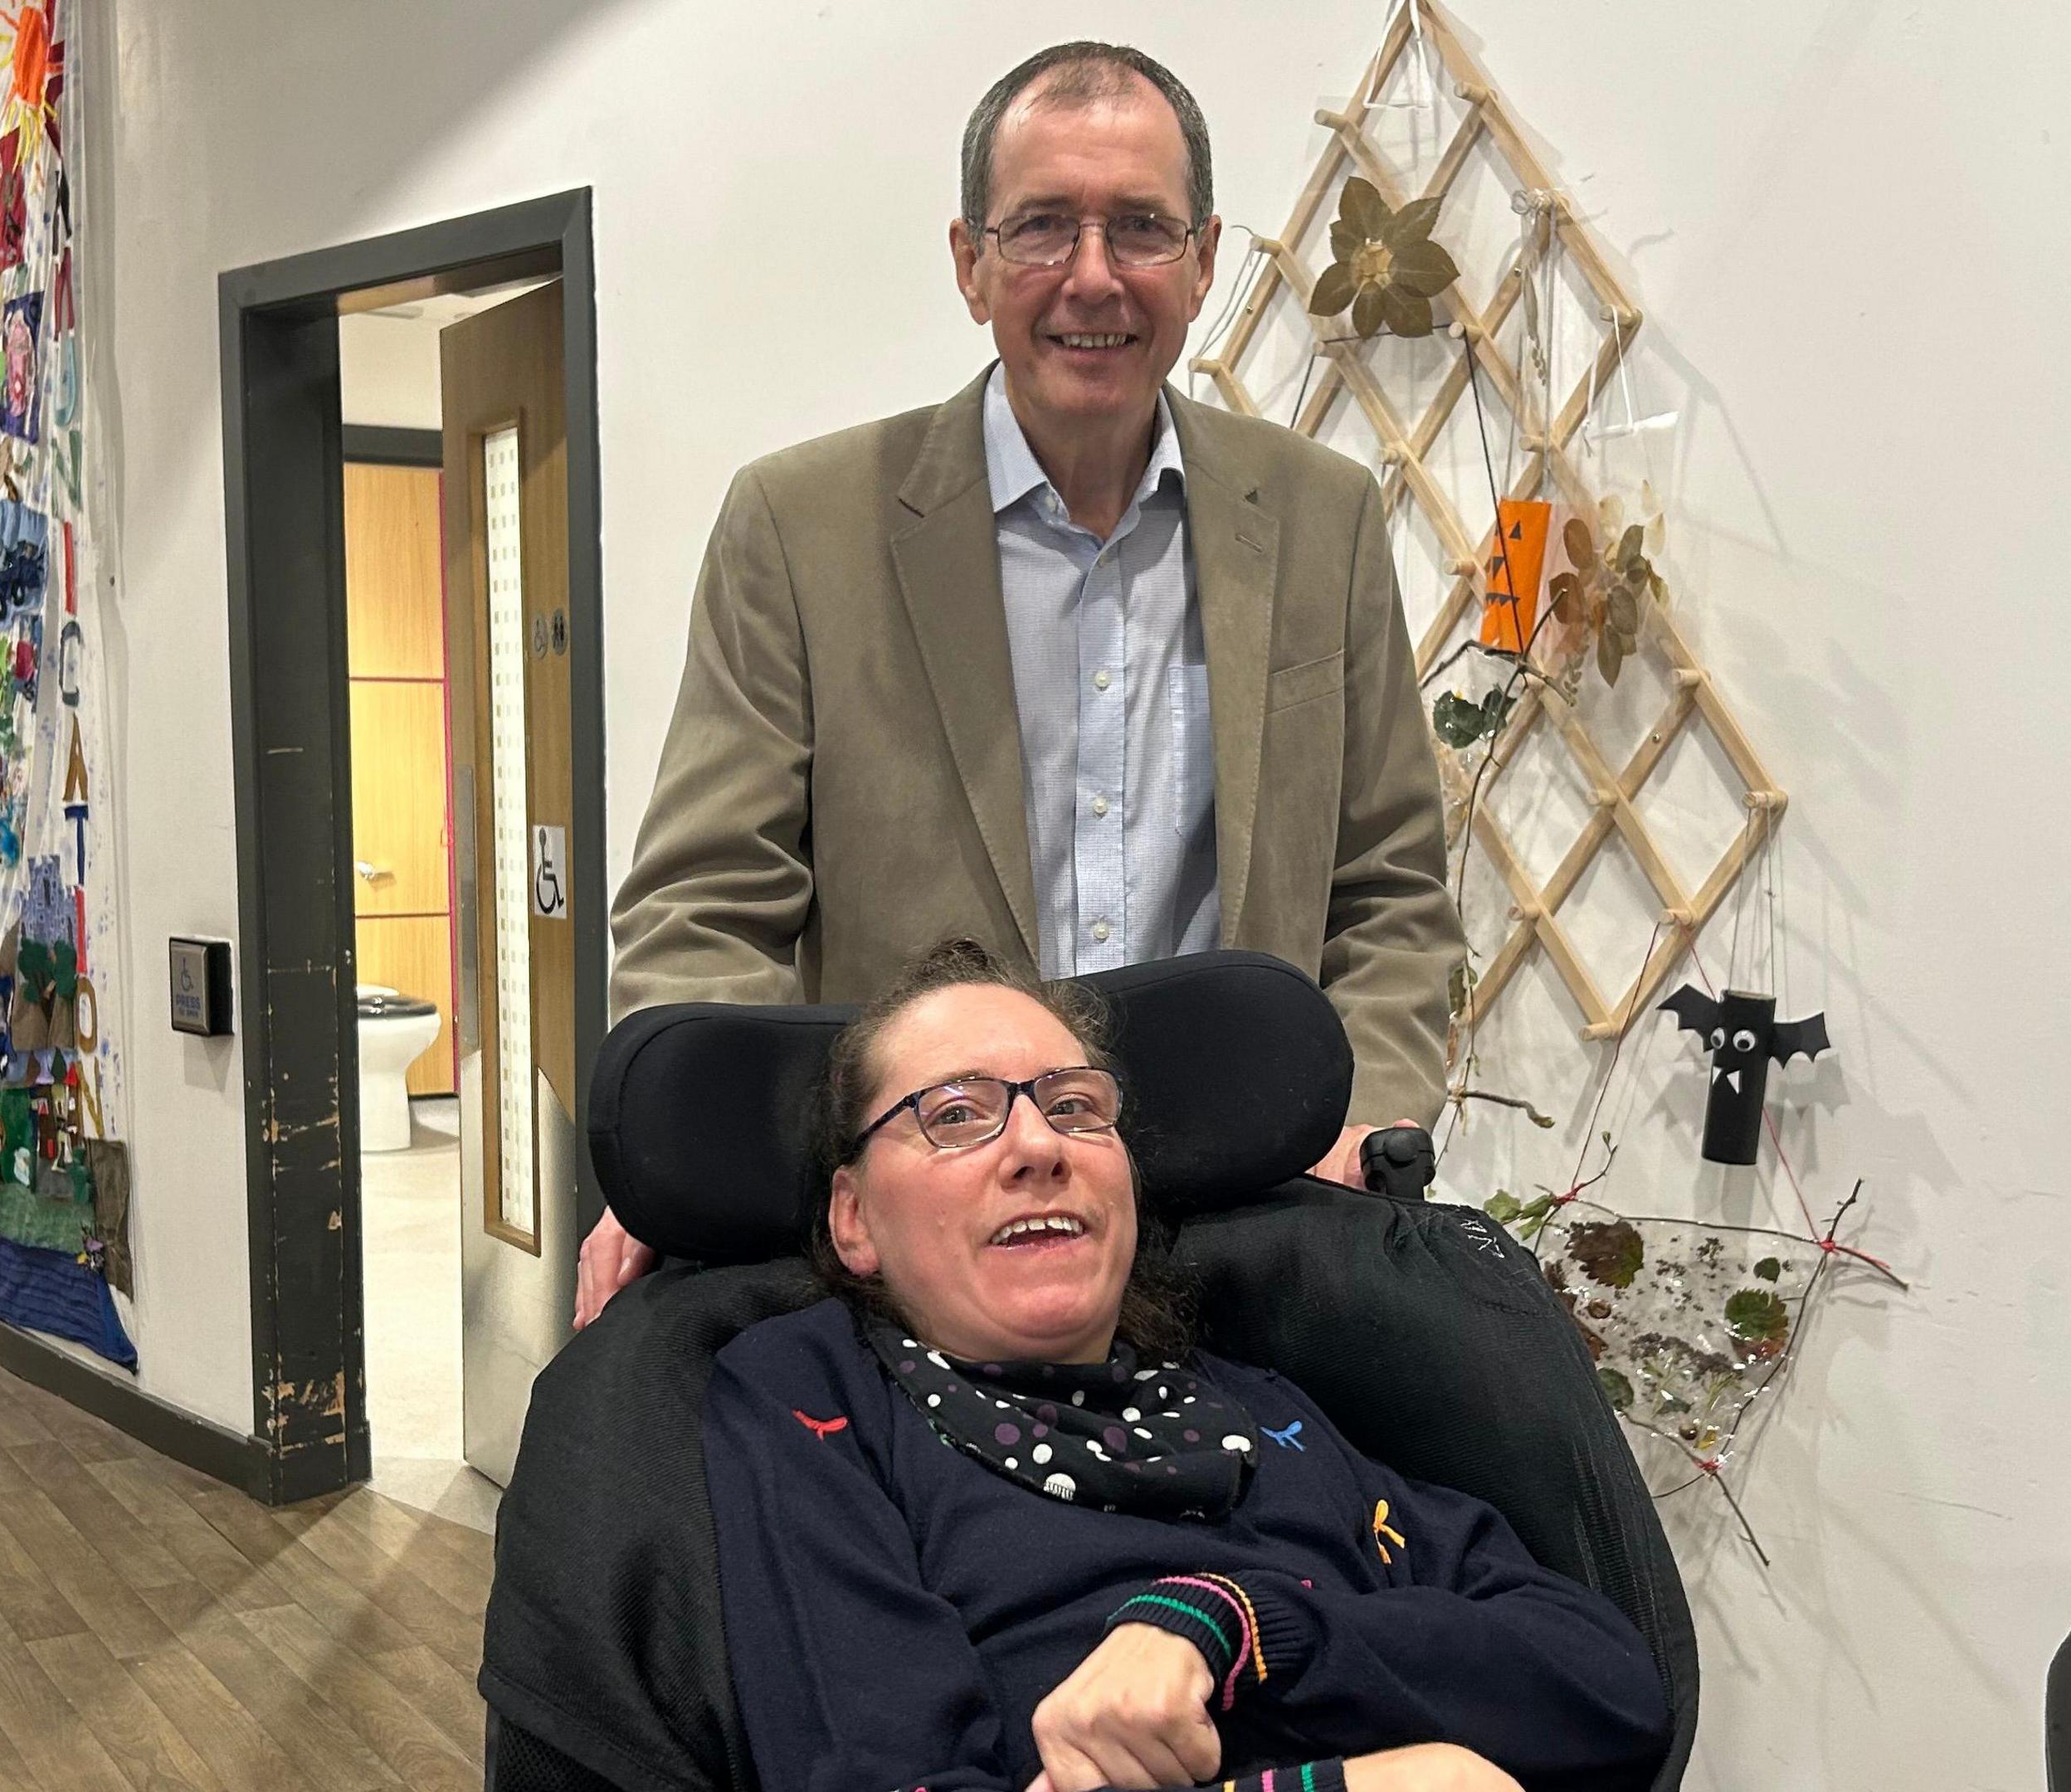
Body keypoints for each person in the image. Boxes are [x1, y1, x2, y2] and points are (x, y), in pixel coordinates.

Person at [580, 40, 1467, 1325]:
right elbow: (704, 905)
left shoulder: (1321, 522)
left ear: (1205, 258)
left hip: (1253, 1218)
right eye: (1044, 225)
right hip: (922, 1257)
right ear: (970, 261)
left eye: (1141, 228)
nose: (1093, 276)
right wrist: (704, 1165)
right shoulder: (802, 525)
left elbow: (1390, 885)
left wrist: (1364, 1108)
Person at [703, 941, 1670, 1792]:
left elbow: (1608, 1687)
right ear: (854, 1218)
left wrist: (1233, 1629)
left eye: (1075, 1106)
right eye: (956, 1115)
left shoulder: (1263, 1413)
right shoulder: (816, 1396)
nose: (1038, 1145)